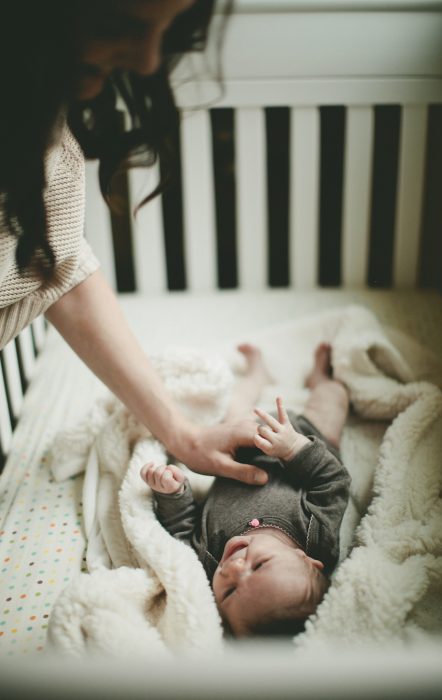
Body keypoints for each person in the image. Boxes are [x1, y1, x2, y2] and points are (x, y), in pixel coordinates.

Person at [0, 0, 265, 485]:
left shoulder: (37, 113)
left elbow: (56, 268)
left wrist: (184, 435)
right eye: (118, 25)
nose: (147, 61)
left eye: (167, 29)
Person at [141, 343, 351, 636]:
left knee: (235, 406)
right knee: (332, 401)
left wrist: (172, 493)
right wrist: (294, 448)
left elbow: (181, 528)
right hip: (309, 436)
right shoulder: (316, 535)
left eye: (229, 592)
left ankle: (265, 375)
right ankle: (313, 377)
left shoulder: (209, 559)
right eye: (260, 564)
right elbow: (333, 481)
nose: (236, 569)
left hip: (241, 447)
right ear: (307, 560)